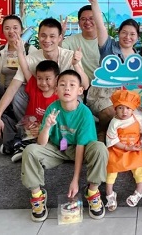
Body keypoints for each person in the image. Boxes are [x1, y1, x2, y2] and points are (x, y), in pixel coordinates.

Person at [21, 69, 108, 222]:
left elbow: (81, 146)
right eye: (62, 85)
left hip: (79, 150)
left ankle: (93, 192)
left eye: (72, 85)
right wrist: (47, 127)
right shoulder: (52, 109)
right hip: (57, 149)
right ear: (56, 90)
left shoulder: (85, 113)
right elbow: (41, 143)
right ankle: (37, 196)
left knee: (100, 148)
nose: (67, 88)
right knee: (30, 150)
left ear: (80, 90)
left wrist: (75, 180)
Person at [0, 18, 85, 139]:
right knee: (19, 93)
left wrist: (76, 64)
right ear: (38, 36)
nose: (47, 40)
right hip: (40, 101)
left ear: (60, 38)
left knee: (76, 98)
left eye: (52, 36)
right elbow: (13, 87)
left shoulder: (70, 56)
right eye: (43, 36)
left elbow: (85, 85)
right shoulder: (31, 58)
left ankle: (65, 132)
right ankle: (30, 129)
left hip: (61, 101)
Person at [83, 0, 141, 140]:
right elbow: (100, 26)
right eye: (124, 33)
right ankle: (102, 135)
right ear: (118, 33)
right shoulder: (108, 47)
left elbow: (139, 84)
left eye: (132, 34)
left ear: (137, 37)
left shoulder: (137, 58)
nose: (127, 37)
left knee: (138, 120)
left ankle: (122, 142)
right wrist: (94, 2)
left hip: (126, 98)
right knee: (111, 112)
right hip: (103, 95)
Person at [0, 56, 59, 162]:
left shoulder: (58, 96)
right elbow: (25, 68)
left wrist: (42, 128)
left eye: (47, 79)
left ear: (57, 79)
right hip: (27, 127)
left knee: (42, 140)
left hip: (44, 131)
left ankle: (19, 147)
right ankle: (15, 144)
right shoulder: (34, 86)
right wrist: (19, 51)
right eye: (39, 78)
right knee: (7, 120)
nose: (43, 83)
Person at [105, 89, 142, 211]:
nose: (124, 112)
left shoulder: (138, 118)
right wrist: (125, 147)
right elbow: (113, 141)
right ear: (115, 109)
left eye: (128, 108)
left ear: (133, 109)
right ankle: (109, 193)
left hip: (133, 149)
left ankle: (139, 190)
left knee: (139, 166)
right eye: (120, 108)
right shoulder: (114, 123)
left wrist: (139, 144)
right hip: (117, 149)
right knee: (111, 167)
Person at [0, 14, 38, 89]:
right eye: (7, 28)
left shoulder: (30, 50)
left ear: (21, 30)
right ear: (2, 31)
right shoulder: (0, 50)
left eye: (15, 28)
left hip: (25, 90)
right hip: (3, 89)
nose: (11, 31)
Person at [61, 4, 101, 88]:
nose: (87, 22)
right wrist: (61, 34)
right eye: (83, 19)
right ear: (79, 23)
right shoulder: (71, 40)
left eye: (91, 18)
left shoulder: (106, 41)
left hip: (102, 87)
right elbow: (58, 50)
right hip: (80, 87)